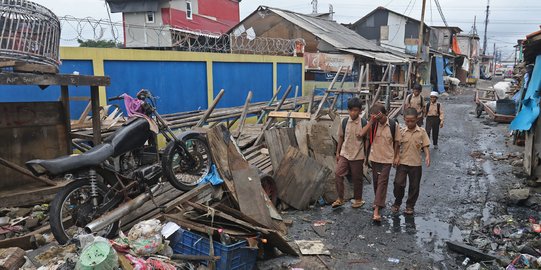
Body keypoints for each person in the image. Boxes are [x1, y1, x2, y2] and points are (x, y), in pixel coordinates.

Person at [332, 97, 370, 208]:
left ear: (360, 111)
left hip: (358, 154)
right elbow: (340, 137)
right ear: (348, 110)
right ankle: (340, 198)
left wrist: (366, 156)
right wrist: (338, 152)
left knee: (357, 178)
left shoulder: (363, 123)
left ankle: (358, 199)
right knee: (338, 174)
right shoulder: (344, 122)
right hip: (345, 153)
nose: (353, 112)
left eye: (356, 110)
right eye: (351, 110)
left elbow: (367, 140)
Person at [392, 108, 431, 215]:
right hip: (402, 162)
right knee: (398, 184)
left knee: (414, 186)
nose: (410, 123)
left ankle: (410, 206)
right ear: (404, 119)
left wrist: (427, 156)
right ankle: (397, 202)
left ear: (417, 119)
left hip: (416, 164)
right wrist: (395, 157)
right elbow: (397, 145)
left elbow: (425, 145)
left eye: (412, 121)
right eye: (407, 121)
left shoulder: (421, 132)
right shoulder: (401, 132)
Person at [368, 103, 401, 222]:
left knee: (382, 182)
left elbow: (397, 142)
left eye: (379, 117)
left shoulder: (393, 125)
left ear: (384, 114)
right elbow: (362, 135)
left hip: (387, 158)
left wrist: (396, 156)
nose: (378, 120)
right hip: (375, 157)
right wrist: (372, 121)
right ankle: (380, 202)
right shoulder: (373, 124)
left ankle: (376, 209)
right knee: (376, 182)